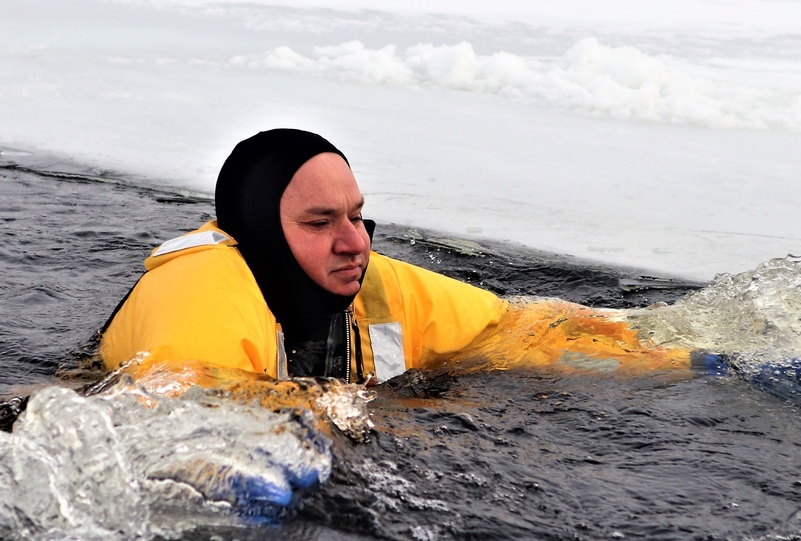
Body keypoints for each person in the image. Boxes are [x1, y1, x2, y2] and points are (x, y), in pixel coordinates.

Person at [100, 128, 694, 383]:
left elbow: (519, 337)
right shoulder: (199, 292)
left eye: (357, 215)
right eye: (319, 222)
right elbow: (185, 417)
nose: (355, 241)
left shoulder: (374, 286)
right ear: (260, 232)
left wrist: (685, 364)